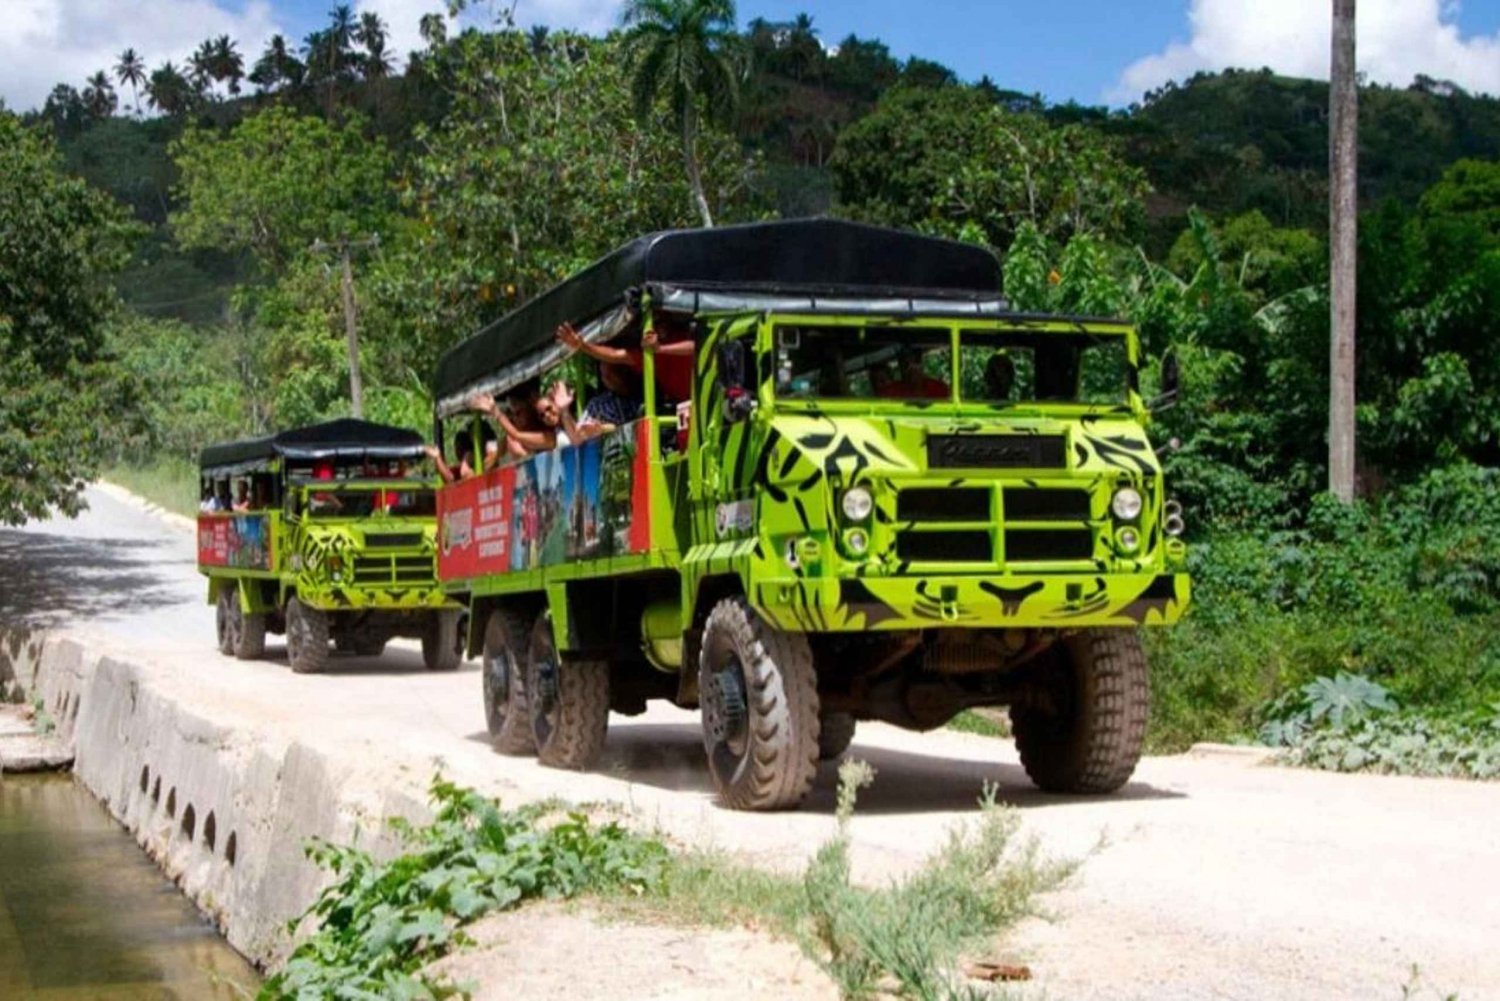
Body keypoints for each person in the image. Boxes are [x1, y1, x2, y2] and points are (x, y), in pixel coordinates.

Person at [556, 315, 696, 406]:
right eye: (655, 323)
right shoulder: (646, 355)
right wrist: (582, 345)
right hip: (689, 405)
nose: (660, 326)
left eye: (661, 320)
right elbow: (615, 354)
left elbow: (697, 347)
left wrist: (659, 348)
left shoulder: (686, 334)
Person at [872, 346, 949, 400]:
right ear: (900, 367)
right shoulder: (890, 392)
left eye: (915, 362)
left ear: (921, 365)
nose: (911, 368)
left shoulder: (939, 389)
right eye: (905, 364)